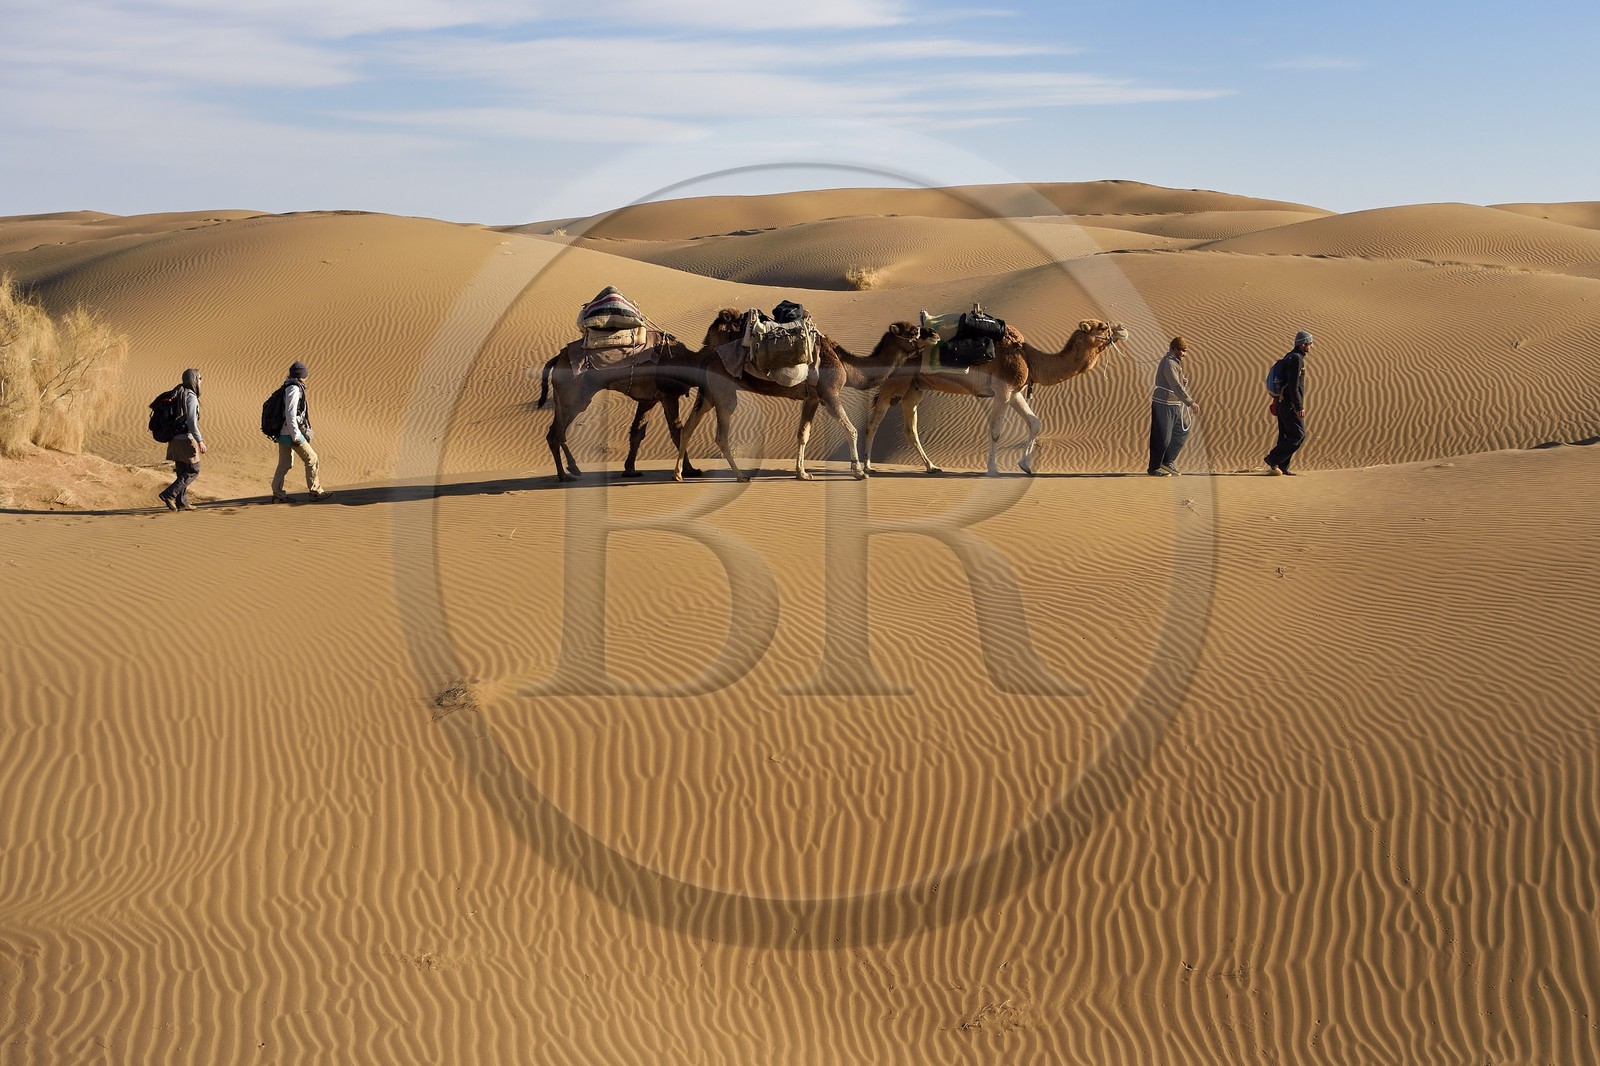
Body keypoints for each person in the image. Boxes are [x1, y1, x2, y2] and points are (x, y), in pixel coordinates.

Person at [271, 361, 328, 502]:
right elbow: (290, 414)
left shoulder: (288, 386)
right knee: (312, 458)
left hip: (283, 433)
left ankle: (277, 495)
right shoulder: (294, 389)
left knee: (285, 464)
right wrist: (296, 436)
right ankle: (315, 492)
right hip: (290, 434)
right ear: (302, 376)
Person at [1148, 336, 1199, 476]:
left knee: (1181, 432)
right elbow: (1175, 386)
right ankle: (1154, 468)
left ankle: (1167, 461)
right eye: (1181, 350)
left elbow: (1176, 383)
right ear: (1173, 349)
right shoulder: (1169, 363)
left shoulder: (1175, 363)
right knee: (1162, 437)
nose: (1184, 353)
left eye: (1185, 351)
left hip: (1174, 403)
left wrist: (1182, 381)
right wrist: (1190, 402)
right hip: (1163, 404)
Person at [1265, 331, 1312, 476]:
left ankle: (1282, 467)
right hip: (1288, 404)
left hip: (1282, 403)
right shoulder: (1296, 359)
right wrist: (1299, 407)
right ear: (1303, 344)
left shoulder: (1289, 356)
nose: (1311, 346)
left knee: (1286, 435)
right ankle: (1273, 458)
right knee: (1299, 435)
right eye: (1310, 343)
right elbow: (1292, 385)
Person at [158, 367, 205, 510]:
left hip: (174, 438)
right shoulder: (190, 396)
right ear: (194, 379)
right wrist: (200, 440)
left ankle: (181, 502)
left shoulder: (177, 393)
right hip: (186, 439)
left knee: (182, 470)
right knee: (193, 469)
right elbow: (191, 422)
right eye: (200, 378)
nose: (201, 381)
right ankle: (170, 494)